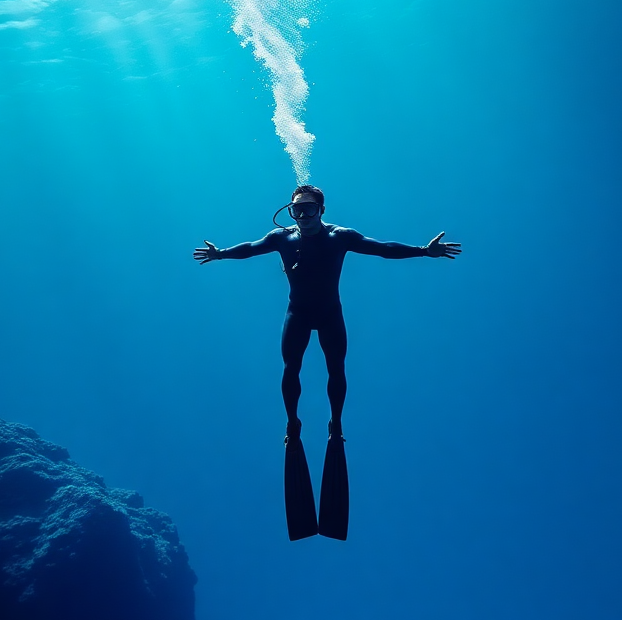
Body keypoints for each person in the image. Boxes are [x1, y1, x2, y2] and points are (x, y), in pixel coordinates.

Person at [193, 185, 461, 443]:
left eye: (309, 210)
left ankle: (336, 422)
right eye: (296, 211)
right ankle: (292, 422)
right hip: (297, 313)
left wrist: (424, 251)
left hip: (329, 313)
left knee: (336, 368)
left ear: (321, 210)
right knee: (291, 369)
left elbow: (381, 248)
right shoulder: (281, 238)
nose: (302, 217)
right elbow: (251, 248)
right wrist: (221, 254)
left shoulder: (339, 236)